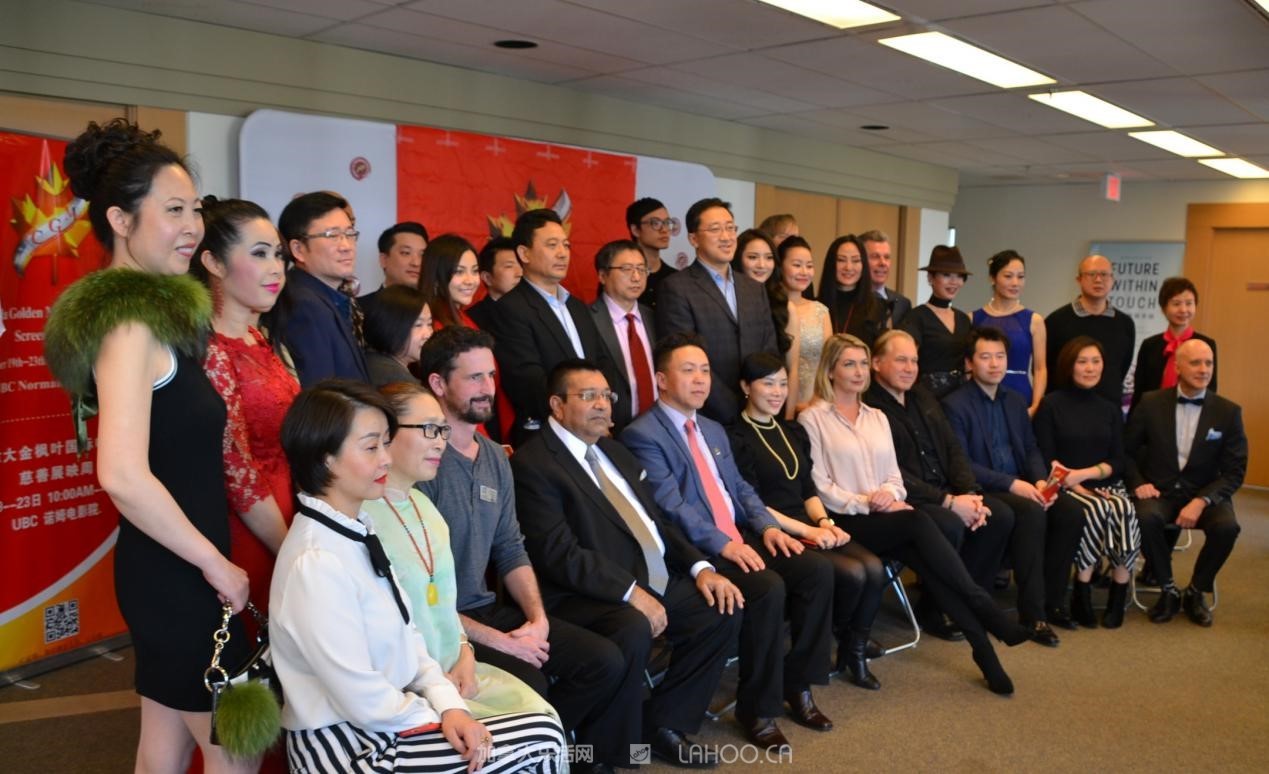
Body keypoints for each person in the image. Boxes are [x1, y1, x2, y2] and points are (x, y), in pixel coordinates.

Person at [44, 119, 253, 772]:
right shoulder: (130, 325)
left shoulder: (155, 320)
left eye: (195, 209)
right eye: (173, 210)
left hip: (171, 567)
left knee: (161, 751)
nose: (192, 226)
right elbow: (123, 474)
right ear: (121, 219)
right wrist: (215, 565)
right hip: (179, 576)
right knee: (236, 756)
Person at [273, 381, 566, 773]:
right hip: (348, 746)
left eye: (386, 443)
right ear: (326, 459)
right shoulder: (316, 558)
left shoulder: (356, 527)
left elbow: (407, 632)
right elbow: (359, 695)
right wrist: (439, 714)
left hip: (389, 720)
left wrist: (448, 704)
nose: (385, 459)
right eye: (371, 447)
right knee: (541, 740)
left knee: (539, 731)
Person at [513, 361, 745, 769]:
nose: (602, 405)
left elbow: (658, 523)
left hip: (649, 577)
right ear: (557, 405)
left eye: (606, 395)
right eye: (588, 396)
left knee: (720, 609)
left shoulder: (614, 451)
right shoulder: (534, 464)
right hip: (584, 592)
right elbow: (558, 553)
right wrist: (630, 592)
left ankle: (663, 725)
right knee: (631, 627)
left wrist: (701, 568)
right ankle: (599, 755)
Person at [417, 327, 629, 765]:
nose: (488, 388)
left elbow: (511, 548)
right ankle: (534, 755)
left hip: (485, 607)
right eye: (473, 377)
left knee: (603, 660)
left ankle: (553, 756)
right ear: (437, 383)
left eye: (491, 376)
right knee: (534, 680)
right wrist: (501, 642)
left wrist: (537, 619)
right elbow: (421, 594)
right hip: (440, 622)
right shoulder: (424, 462)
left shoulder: (496, 456)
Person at [622, 333, 836, 751]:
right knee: (767, 588)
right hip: (699, 549)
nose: (700, 379)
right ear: (661, 379)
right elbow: (670, 507)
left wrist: (768, 527)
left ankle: (797, 684)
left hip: (740, 535)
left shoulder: (713, 429)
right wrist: (723, 544)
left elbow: (740, 489)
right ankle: (758, 710)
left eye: (705, 371)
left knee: (816, 571)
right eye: (688, 371)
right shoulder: (643, 434)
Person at [796, 333, 1032, 695]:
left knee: (934, 568)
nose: (859, 372)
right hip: (843, 519)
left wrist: (889, 495)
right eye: (849, 364)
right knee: (918, 521)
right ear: (829, 371)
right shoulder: (812, 418)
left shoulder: (877, 417)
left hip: (886, 516)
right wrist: (869, 501)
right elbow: (820, 486)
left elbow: (894, 477)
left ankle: (984, 653)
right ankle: (984, 608)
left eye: (863, 364)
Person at [364, 382, 558, 722]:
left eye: (443, 430)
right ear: (386, 435)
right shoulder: (362, 517)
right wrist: (438, 684)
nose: (440, 441)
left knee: (543, 713)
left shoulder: (424, 506)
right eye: (429, 429)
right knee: (533, 718)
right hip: (407, 687)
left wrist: (465, 653)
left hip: (454, 664)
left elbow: (444, 608)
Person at [729, 353, 886, 689]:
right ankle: (807, 668)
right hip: (771, 528)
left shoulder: (792, 430)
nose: (777, 392)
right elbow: (750, 502)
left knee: (873, 568)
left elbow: (807, 489)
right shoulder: (735, 436)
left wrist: (825, 522)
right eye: (767, 383)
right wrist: (808, 530)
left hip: (808, 521)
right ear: (745, 386)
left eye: (782, 384)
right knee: (849, 572)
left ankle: (852, 649)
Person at [862, 330, 1013, 640]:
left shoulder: (923, 396)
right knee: (948, 523)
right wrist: (949, 502)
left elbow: (953, 447)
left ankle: (970, 604)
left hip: (945, 489)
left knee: (997, 515)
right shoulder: (869, 407)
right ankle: (934, 608)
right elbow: (892, 473)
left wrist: (970, 493)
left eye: (914, 361)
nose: (910, 368)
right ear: (876, 363)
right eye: (901, 360)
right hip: (904, 497)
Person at [941, 327, 1084, 644]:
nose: (994, 364)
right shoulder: (955, 404)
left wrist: (1039, 480)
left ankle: (1054, 601)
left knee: (1070, 512)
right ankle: (1033, 615)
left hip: (1022, 484)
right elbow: (961, 463)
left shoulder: (1016, 401)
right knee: (1031, 512)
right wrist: (1013, 484)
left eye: (1000, 356)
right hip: (984, 487)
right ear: (970, 363)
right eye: (985, 357)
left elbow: (1031, 449)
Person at [192, 196, 299, 620]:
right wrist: (287, 545)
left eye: (278, 255)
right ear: (214, 263)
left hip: (289, 506)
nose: (276, 268)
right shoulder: (212, 351)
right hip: (252, 528)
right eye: (259, 254)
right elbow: (235, 469)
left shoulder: (258, 338)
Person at [1126, 339, 1246, 628]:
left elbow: (1235, 471)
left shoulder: (1228, 412)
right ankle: (1167, 588)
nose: (1204, 369)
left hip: (1205, 492)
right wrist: (1138, 483)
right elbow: (1125, 452)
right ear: (1178, 367)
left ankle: (1195, 590)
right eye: (1195, 363)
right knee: (1145, 517)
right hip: (1160, 490)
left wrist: (1202, 501)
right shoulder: (1151, 403)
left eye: (1209, 363)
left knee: (1227, 528)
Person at [1034, 337, 1140, 629]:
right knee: (1095, 509)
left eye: (1096, 361)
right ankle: (1082, 589)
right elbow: (1046, 456)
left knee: (1124, 510)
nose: (1090, 368)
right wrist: (1076, 484)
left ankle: (1119, 591)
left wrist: (1088, 474)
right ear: (1069, 366)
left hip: (1102, 482)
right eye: (1082, 362)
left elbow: (1118, 459)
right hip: (1063, 485)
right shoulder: (1051, 404)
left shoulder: (1109, 408)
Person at [491, 208, 614, 445]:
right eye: (552, 245)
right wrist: (582, 416)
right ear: (524, 253)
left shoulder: (577, 306)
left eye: (566, 245)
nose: (562, 253)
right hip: (549, 436)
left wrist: (603, 412)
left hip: (595, 430)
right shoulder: (511, 308)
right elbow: (528, 382)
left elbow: (602, 361)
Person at [657, 198, 779, 423]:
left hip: (756, 413)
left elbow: (768, 348)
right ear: (693, 238)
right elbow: (684, 359)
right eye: (715, 229)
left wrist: (756, 402)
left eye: (730, 228)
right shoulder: (676, 288)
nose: (726, 237)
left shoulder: (753, 288)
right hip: (707, 414)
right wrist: (733, 411)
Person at [266, 190, 370, 386]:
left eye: (349, 234)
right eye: (333, 235)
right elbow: (319, 393)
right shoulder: (304, 307)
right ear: (298, 249)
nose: (346, 246)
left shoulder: (324, 298)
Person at [1044, 255, 1135, 406]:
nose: (1098, 280)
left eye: (1104, 274)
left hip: (1109, 409)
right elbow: (1045, 368)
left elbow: (1122, 367)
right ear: (1079, 280)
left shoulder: (1125, 323)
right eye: (1091, 274)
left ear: (1112, 280)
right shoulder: (1056, 321)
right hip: (1065, 408)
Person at [588, 239, 657, 432]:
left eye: (641, 269)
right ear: (603, 275)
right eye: (626, 269)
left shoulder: (654, 318)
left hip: (657, 428)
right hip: (611, 429)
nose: (636, 277)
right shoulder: (587, 319)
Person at [972, 249, 1046, 414]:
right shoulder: (974, 318)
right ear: (993, 278)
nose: (1015, 283)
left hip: (1021, 396)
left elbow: (1040, 369)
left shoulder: (1034, 320)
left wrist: (1036, 406)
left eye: (1020, 277)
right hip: (981, 395)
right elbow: (968, 365)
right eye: (1008, 276)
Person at [1131, 276, 1218, 410]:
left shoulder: (1206, 344)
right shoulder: (1149, 345)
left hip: (1193, 413)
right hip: (1153, 414)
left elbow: (1211, 388)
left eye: (1189, 303)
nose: (1183, 310)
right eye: (1176, 304)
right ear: (1163, 308)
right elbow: (1139, 391)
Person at [769, 236, 831, 416]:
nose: (804, 272)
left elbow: (827, 366)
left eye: (809, 266)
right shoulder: (769, 308)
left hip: (814, 408)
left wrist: (814, 404)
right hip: (774, 404)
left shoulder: (820, 311)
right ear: (780, 266)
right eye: (797, 265)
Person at [900, 245, 972, 398]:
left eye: (959, 276)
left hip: (961, 398)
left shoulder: (964, 319)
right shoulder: (916, 317)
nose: (954, 282)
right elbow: (906, 361)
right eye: (946, 275)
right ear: (930, 278)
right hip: (927, 398)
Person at [817, 234, 886, 349]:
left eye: (855, 260)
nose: (848, 267)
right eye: (841, 260)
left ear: (863, 265)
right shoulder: (816, 306)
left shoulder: (878, 307)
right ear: (831, 264)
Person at [362, 285, 433, 386]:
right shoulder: (395, 379)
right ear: (391, 326)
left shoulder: (373, 361)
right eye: (418, 325)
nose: (428, 334)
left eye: (429, 324)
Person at [421, 233, 482, 330]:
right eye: (459, 272)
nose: (470, 281)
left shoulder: (461, 316)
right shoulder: (431, 327)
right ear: (436, 278)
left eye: (475, 271)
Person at [360, 221, 428, 307]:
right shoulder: (359, 308)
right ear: (384, 260)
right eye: (406, 253)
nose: (416, 263)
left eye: (423, 255)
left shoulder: (434, 308)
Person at [626, 197, 678, 307]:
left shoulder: (676, 278)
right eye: (655, 223)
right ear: (635, 230)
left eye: (667, 223)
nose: (664, 230)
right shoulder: (621, 276)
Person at [467, 236, 521, 330]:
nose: (520, 273)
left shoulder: (536, 307)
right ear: (487, 278)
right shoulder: (472, 319)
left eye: (522, 265)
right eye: (509, 266)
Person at [861, 230, 910, 329]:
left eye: (887, 257)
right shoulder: (850, 300)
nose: (883, 263)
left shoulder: (903, 304)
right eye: (875, 257)